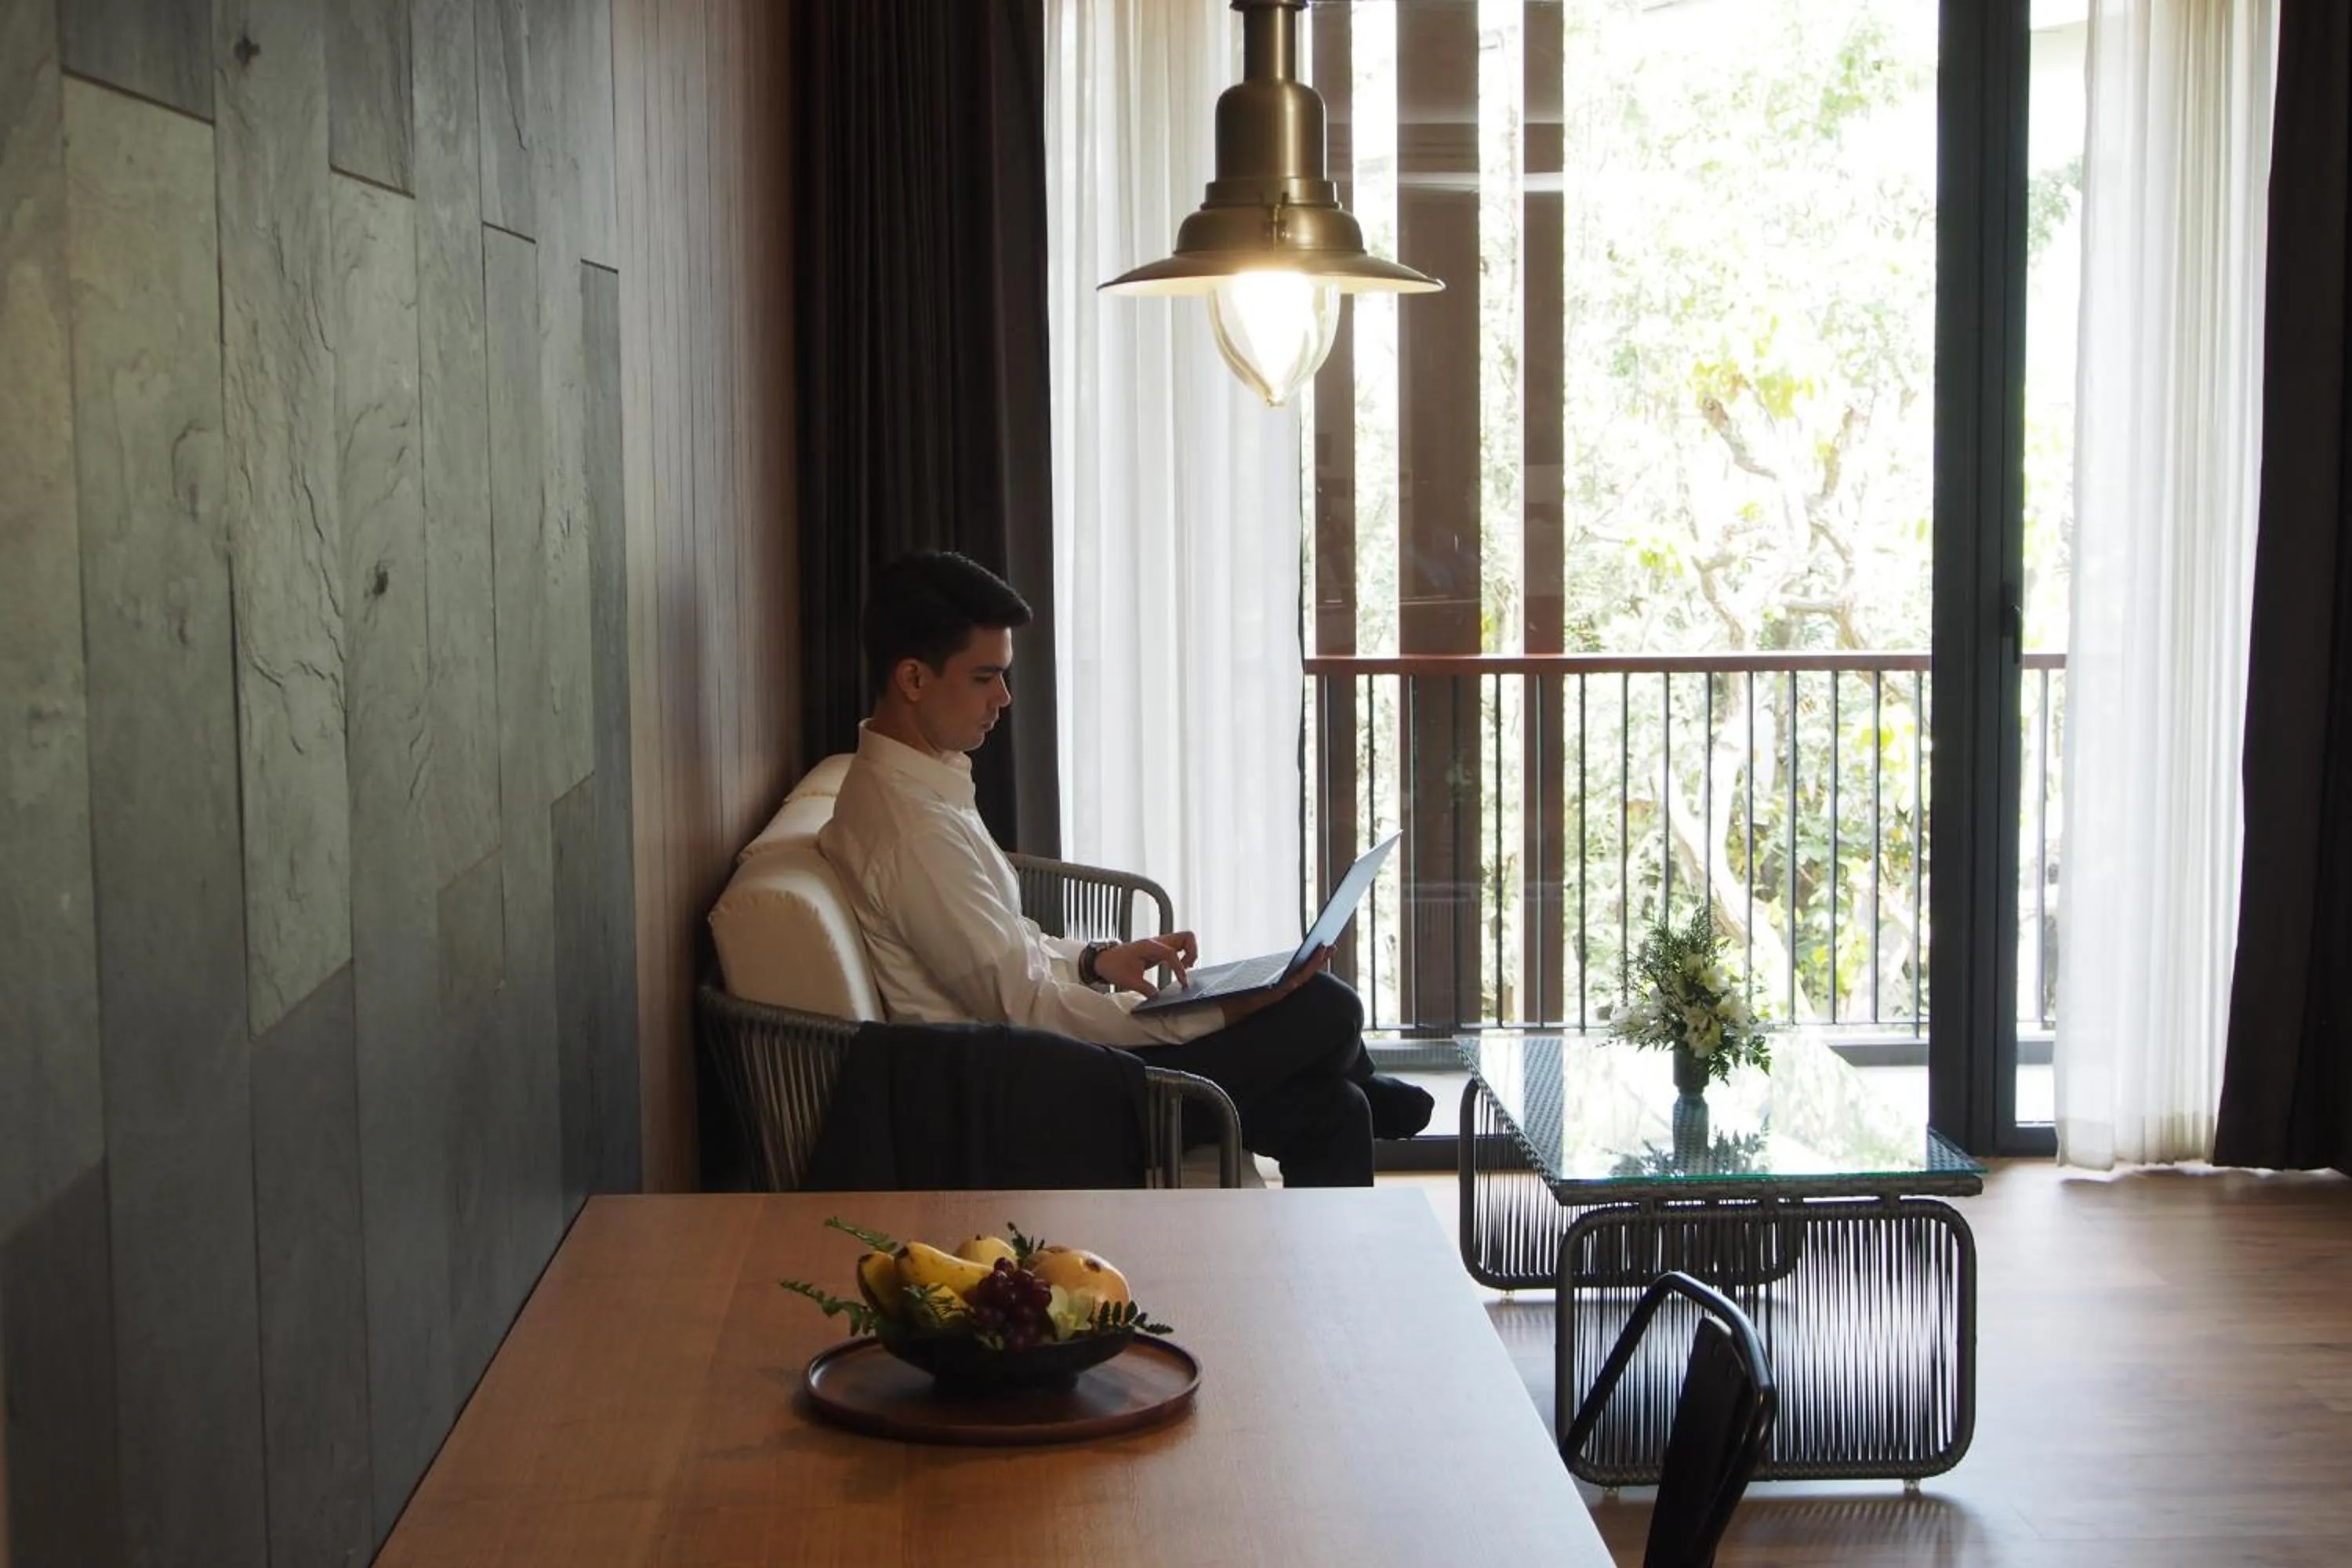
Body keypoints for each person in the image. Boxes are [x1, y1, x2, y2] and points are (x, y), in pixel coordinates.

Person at [818, 550, 1434, 1186]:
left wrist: (1094, 960)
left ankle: (1352, 1102)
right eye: (984, 677)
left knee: (1334, 1110)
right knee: (1326, 1007)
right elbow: (1026, 1009)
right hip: (1044, 1106)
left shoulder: (923, 788)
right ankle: (1350, 1064)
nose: (1004, 697)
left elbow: (1006, 949)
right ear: (914, 679)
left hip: (1048, 1072)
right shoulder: (913, 831)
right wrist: (1210, 1015)